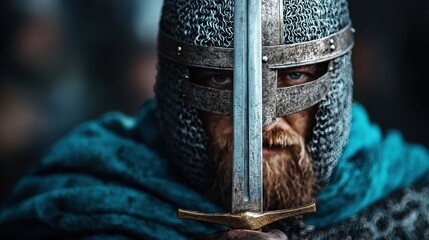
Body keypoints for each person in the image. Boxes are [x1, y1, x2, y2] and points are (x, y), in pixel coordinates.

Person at [0, 0, 428, 239]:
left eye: (294, 75)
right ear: (172, 88)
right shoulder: (79, 207)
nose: (262, 120)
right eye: (222, 78)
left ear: (334, 82)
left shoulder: (409, 206)